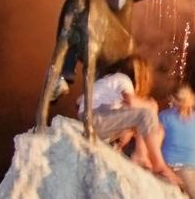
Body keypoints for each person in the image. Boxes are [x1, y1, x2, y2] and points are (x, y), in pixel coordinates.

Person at [76, 55, 183, 187]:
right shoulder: (123, 79)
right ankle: (157, 163)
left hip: (99, 121)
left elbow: (80, 100)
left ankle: (138, 155)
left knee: (156, 126)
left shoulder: (113, 86)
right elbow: (132, 102)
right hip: (93, 118)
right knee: (147, 112)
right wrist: (150, 105)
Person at [159, 85, 195, 199]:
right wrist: (194, 166)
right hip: (190, 171)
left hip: (166, 169)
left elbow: (156, 144)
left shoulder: (164, 116)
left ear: (172, 99)